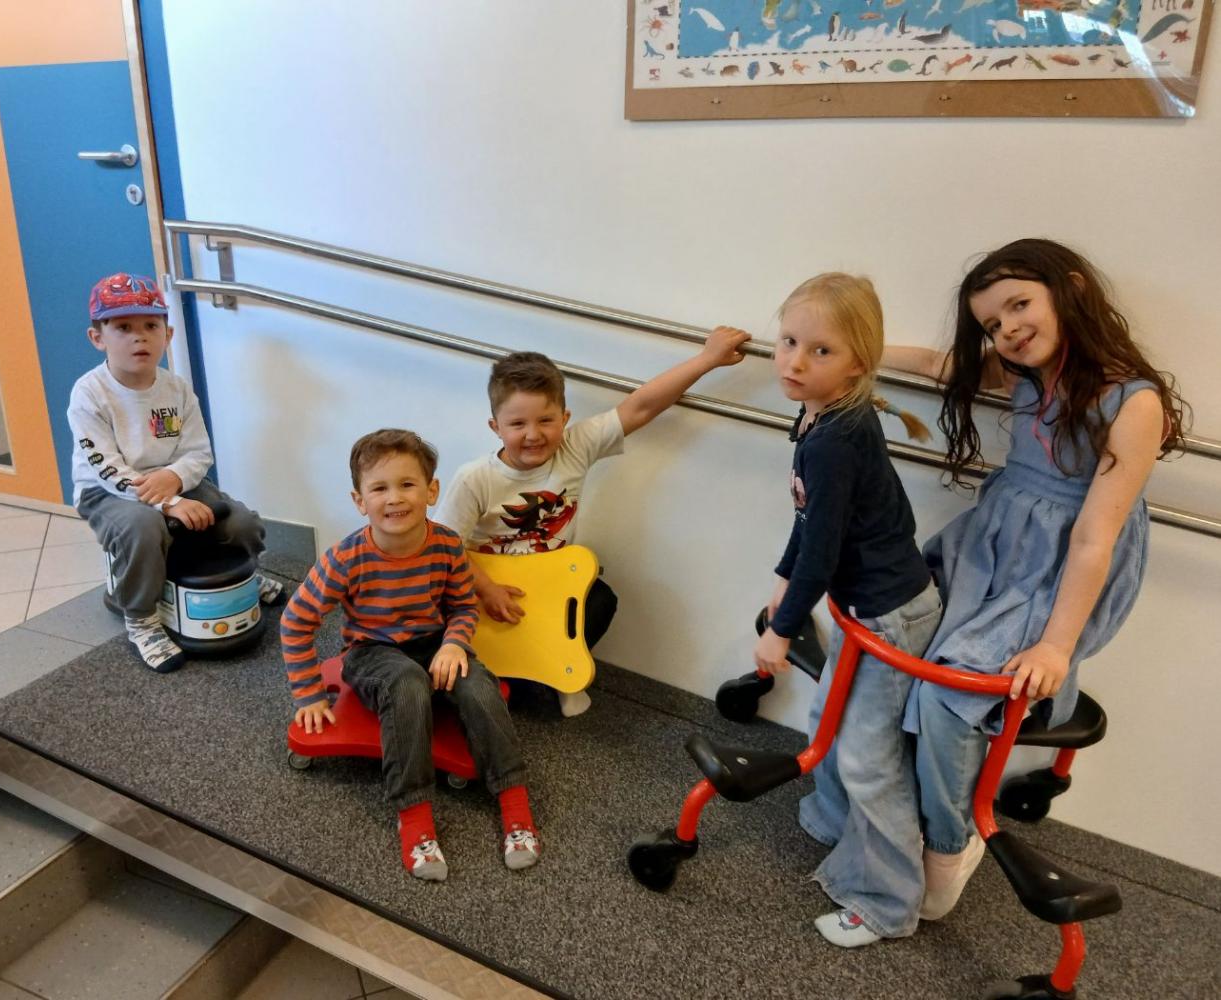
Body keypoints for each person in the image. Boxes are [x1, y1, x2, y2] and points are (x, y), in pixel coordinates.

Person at [886, 238, 1188, 922]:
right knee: (896, 633)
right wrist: (851, 347)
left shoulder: (1132, 402)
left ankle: (948, 845)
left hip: (1056, 569)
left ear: (1072, 290)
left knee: (950, 695)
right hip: (991, 542)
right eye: (993, 323)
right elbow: (936, 363)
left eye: (1019, 305)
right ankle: (889, 806)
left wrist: (1055, 644)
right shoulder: (1025, 375)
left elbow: (1093, 538)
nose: (1008, 329)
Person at [743, 273, 937, 948]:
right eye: (788, 341)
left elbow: (823, 553)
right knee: (825, 718)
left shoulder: (832, 438)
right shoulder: (819, 415)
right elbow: (811, 519)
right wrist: (781, 578)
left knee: (866, 760)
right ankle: (834, 822)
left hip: (890, 617)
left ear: (857, 363)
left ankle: (886, 902)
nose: (794, 362)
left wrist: (781, 631)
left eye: (819, 351)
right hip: (865, 608)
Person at [436, 326, 750, 716]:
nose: (533, 435)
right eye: (517, 424)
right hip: (487, 587)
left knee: (600, 599)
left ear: (564, 418)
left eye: (546, 420)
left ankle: (542, 677)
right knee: (443, 615)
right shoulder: (474, 478)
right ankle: (502, 680)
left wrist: (708, 359)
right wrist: (487, 590)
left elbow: (641, 407)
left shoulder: (576, 446)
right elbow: (445, 547)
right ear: (495, 427)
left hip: (546, 586)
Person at [281, 429, 539, 881]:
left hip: (433, 642)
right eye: (380, 488)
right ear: (360, 501)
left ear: (431, 491)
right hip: (371, 652)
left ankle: (514, 802)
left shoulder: (447, 546)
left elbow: (463, 607)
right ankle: (415, 817)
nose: (395, 498)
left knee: (479, 687)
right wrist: (309, 695)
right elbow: (295, 621)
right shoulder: (345, 558)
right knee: (407, 683)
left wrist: (454, 643)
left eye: (407, 484)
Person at [69, 273, 284, 674]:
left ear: (167, 335)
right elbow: (106, 467)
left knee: (241, 524)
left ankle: (245, 577)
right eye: (123, 327)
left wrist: (176, 480)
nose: (140, 337)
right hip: (110, 492)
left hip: (175, 480)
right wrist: (167, 502)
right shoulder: (89, 394)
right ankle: (141, 618)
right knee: (144, 527)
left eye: (151, 326)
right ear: (97, 338)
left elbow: (198, 452)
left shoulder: (178, 389)